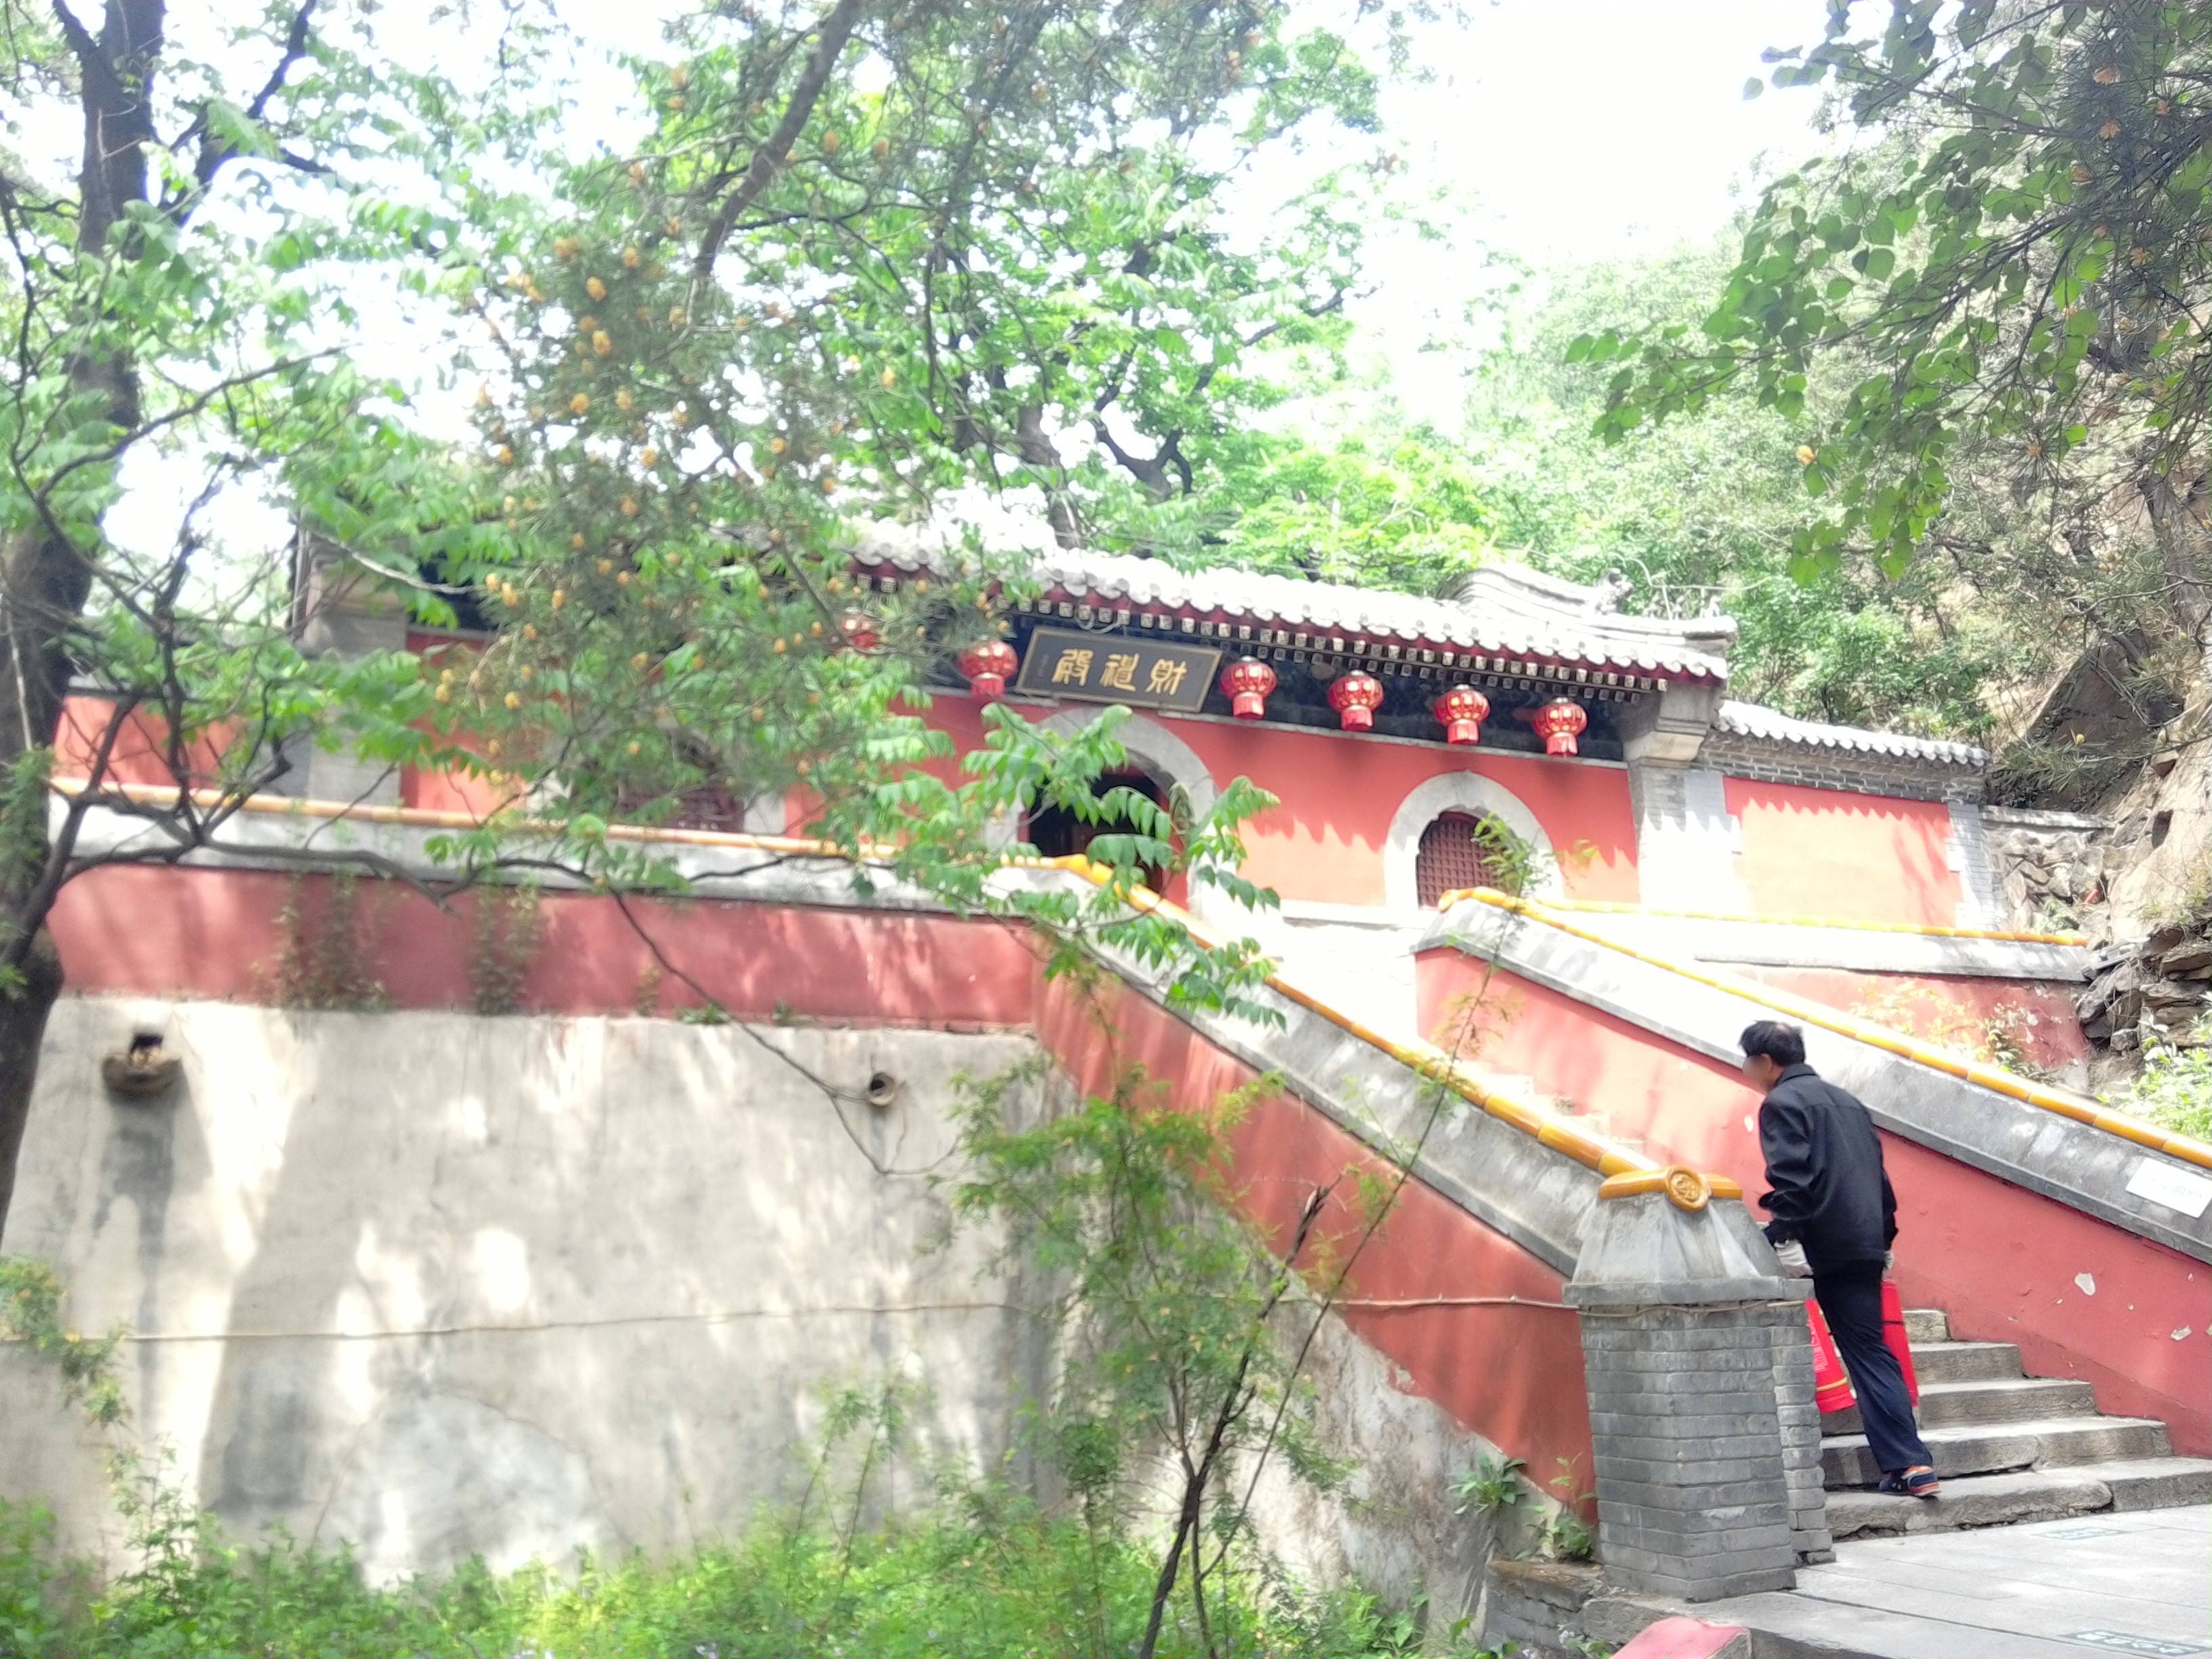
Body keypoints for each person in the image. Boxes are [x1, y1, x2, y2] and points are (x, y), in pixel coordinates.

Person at [1740, 1020, 1940, 1500]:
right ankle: (1912, 1463)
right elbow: (1879, 1176)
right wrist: (1885, 1236)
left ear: (1766, 1062)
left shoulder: (1782, 1103)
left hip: (1822, 1246)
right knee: (1870, 1352)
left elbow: (1791, 1177)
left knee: (1841, 1351)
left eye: (1747, 1060)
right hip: (1865, 1243)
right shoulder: (1849, 1102)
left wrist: (1784, 1236)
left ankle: (1900, 1462)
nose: (1746, 1070)